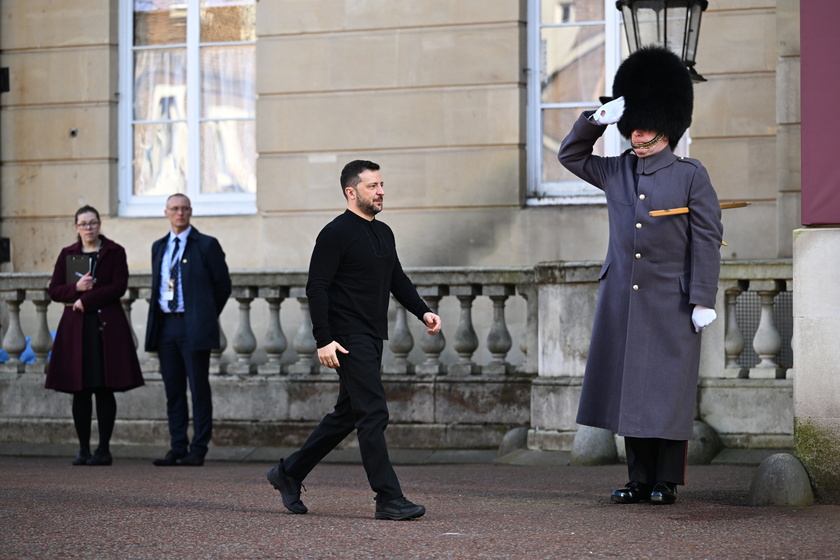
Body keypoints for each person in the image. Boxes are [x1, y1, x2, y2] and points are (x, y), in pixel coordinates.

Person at [557, 46, 724, 505]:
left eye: (644, 124)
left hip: (672, 299)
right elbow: (570, 154)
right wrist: (597, 118)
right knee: (631, 391)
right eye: (632, 124)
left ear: (666, 126)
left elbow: (707, 239)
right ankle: (638, 479)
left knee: (666, 393)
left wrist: (702, 298)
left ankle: (666, 481)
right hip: (624, 300)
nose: (636, 133)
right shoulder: (617, 172)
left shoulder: (691, 175)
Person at [266, 160, 442, 521]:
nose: (380, 191)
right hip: (346, 338)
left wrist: (422, 311)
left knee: (348, 414)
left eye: (381, 184)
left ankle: (289, 472)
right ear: (351, 192)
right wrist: (323, 340)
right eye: (372, 186)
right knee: (373, 411)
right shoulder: (335, 233)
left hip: (372, 334)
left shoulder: (383, 232)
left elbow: (397, 279)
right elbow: (316, 287)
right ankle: (388, 498)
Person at [46, 206, 145, 466]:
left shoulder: (114, 251)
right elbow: (54, 290)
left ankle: (103, 449)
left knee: (103, 388)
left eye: (92, 223)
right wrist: (75, 288)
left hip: (106, 328)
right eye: (83, 223)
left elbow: (119, 287)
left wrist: (87, 299)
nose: (88, 228)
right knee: (80, 390)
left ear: (99, 224)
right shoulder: (67, 254)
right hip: (76, 328)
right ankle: (83, 449)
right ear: (76, 227)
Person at [146, 194, 231, 467]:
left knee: (198, 388)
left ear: (190, 212)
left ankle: (199, 448)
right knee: (173, 390)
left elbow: (222, 286)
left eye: (184, 208)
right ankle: (177, 446)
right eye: (174, 209)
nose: (179, 213)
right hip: (166, 326)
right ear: (166, 213)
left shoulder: (206, 244)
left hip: (194, 326)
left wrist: (203, 314)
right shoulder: (159, 247)